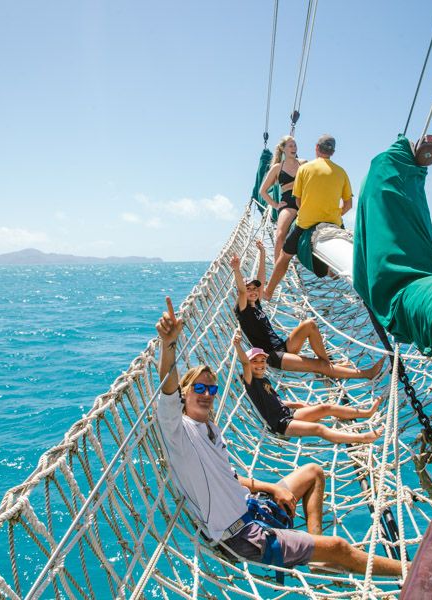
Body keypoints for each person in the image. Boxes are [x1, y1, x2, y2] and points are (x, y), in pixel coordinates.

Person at [154, 297, 404, 577]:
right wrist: (168, 344)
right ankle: (412, 570)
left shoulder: (211, 430)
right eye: (199, 388)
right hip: (242, 535)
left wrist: (273, 488)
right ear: (184, 393)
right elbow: (167, 388)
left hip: (253, 506)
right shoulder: (178, 430)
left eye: (212, 390)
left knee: (313, 472)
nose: (207, 394)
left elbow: (231, 477)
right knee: (340, 547)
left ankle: (318, 555)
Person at [230, 241, 384, 380]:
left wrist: (262, 253)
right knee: (319, 366)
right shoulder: (243, 310)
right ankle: (365, 374)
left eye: (255, 289)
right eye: (248, 289)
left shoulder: (255, 303)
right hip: (273, 356)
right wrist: (237, 270)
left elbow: (261, 280)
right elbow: (243, 292)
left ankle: (329, 366)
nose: (253, 291)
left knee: (309, 324)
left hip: (283, 346)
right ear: (241, 292)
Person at [233, 332, 386, 443]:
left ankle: (366, 413)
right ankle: (363, 438)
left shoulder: (264, 379)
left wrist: (297, 405)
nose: (259, 364)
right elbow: (245, 363)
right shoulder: (251, 382)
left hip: (288, 412)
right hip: (281, 423)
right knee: (319, 430)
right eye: (255, 362)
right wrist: (237, 345)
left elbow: (273, 401)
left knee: (325, 408)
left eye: (262, 361)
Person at [264, 134, 353, 300]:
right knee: (333, 268)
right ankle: (331, 272)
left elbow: (297, 200)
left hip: (306, 223)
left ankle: (268, 292)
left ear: (316, 149)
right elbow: (348, 205)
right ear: (332, 152)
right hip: (334, 223)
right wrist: (333, 214)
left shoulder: (304, 169)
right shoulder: (342, 172)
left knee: (284, 257)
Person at [259, 135, 306, 260]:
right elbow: (262, 191)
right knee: (280, 236)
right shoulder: (277, 168)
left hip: (304, 202)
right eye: (290, 145)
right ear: (283, 149)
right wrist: (275, 205)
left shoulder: (304, 163)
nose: (294, 148)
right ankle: (277, 268)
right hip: (288, 204)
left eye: (295, 145)